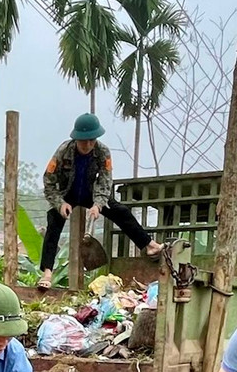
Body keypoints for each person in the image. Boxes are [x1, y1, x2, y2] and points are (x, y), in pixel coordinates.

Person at [36, 113, 164, 290]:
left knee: (121, 212)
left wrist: (98, 204)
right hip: (68, 193)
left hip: (91, 193)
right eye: (84, 141)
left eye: (91, 140)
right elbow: (49, 182)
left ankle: (149, 245)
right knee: (54, 223)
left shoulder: (103, 152)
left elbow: (105, 180)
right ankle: (47, 272)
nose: (88, 145)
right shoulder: (63, 151)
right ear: (76, 139)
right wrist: (60, 203)